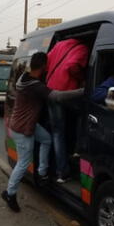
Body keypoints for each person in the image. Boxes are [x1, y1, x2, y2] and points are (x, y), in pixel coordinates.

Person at [2, 52, 83, 212]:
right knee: (23, 163)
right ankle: (9, 193)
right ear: (44, 66)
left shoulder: (24, 78)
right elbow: (56, 96)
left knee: (46, 139)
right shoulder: (33, 85)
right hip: (23, 128)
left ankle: (42, 172)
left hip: (26, 124)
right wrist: (82, 91)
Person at [45, 38, 89, 183]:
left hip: (51, 91)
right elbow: (72, 67)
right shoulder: (83, 47)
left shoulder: (59, 45)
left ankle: (60, 173)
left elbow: (46, 61)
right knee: (86, 113)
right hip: (66, 93)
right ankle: (78, 149)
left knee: (57, 133)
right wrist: (83, 79)